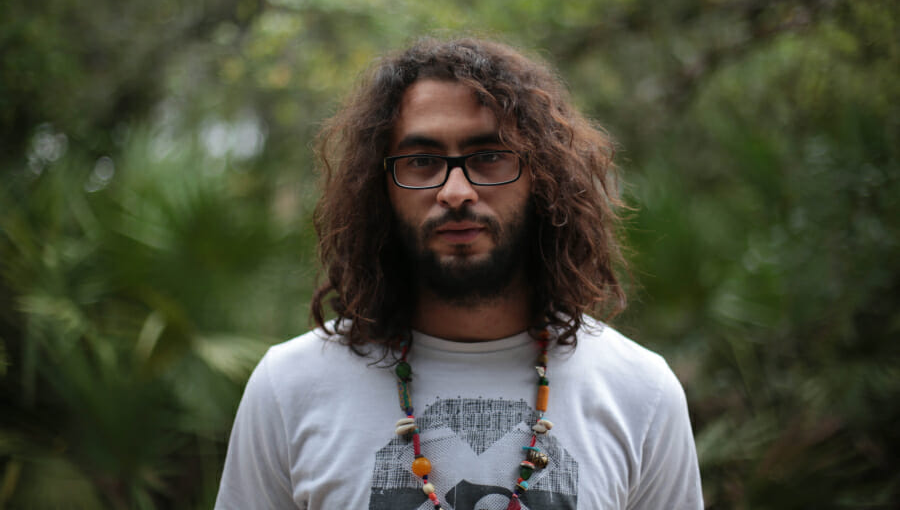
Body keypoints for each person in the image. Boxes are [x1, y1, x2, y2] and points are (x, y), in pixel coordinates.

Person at [215, 38, 703, 510]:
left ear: (544, 178)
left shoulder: (640, 392)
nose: (455, 191)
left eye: (488, 157)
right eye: (422, 161)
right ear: (379, 188)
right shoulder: (290, 386)